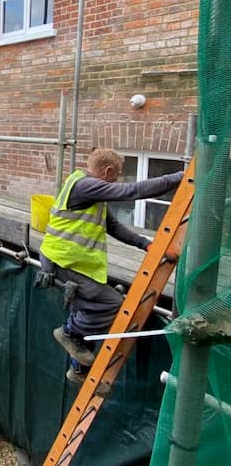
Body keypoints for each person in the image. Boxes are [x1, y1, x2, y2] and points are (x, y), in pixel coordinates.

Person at [38, 148, 184, 387]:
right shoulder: (86, 186)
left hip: (69, 261)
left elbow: (113, 226)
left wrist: (144, 244)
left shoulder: (88, 191)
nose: (117, 180)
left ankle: (79, 369)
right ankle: (68, 332)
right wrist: (180, 177)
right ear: (107, 171)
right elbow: (132, 191)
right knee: (111, 304)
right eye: (116, 175)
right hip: (65, 261)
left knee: (88, 309)